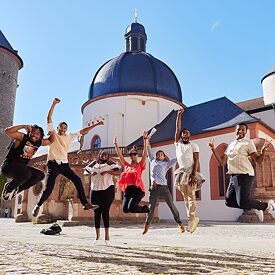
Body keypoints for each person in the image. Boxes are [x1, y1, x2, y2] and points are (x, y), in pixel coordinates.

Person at [32, 98, 103, 217]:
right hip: (53, 165)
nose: (63, 130)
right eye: (61, 128)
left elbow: (83, 131)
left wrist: (96, 125)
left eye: (65, 128)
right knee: (48, 189)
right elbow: (49, 119)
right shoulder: (52, 134)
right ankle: (38, 205)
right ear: (58, 128)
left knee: (78, 180)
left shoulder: (69, 136)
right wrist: (53, 104)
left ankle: (85, 204)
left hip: (64, 165)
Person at [208, 122, 275, 222]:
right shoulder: (231, 145)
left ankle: (268, 206)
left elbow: (258, 160)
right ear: (235, 130)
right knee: (229, 202)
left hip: (244, 174)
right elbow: (222, 162)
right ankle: (256, 206)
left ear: (246, 131)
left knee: (242, 202)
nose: (241, 131)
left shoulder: (248, 143)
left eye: (243, 130)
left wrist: (263, 150)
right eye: (239, 129)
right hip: (233, 175)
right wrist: (213, 149)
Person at [142, 134, 185, 235]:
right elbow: (148, 148)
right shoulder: (152, 161)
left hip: (164, 188)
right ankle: (147, 226)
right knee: (151, 208)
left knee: (171, 205)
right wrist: (146, 139)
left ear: (164, 157)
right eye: (158, 154)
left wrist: (182, 148)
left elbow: (177, 158)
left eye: (162, 155)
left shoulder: (166, 164)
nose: (160, 155)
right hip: (154, 189)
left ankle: (180, 224)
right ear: (156, 156)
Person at [1, 124, 54, 200]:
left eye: (37, 134)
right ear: (29, 132)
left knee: (40, 175)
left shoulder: (39, 142)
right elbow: (7, 131)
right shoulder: (22, 137)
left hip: (21, 170)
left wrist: (52, 132)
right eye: (32, 132)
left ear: (40, 136)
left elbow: (51, 140)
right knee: (27, 173)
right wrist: (23, 126)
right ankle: (9, 189)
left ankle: (17, 189)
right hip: (8, 167)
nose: (34, 135)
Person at [175, 108, 204, 233]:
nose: (185, 134)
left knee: (191, 195)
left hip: (190, 172)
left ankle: (192, 218)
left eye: (187, 133)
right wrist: (179, 116)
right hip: (181, 174)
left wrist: (193, 175)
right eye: (183, 133)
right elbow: (177, 129)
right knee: (185, 197)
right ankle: (191, 218)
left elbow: (196, 160)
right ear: (181, 135)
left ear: (190, 135)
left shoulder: (194, 145)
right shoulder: (177, 144)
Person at [84, 150, 121, 245]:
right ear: (99, 155)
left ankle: (107, 236)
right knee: (96, 212)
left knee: (105, 212)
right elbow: (85, 171)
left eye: (105, 154)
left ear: (108, 156)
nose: (103, 156)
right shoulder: (94, 163)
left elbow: (119, 171)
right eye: (102, 154)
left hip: (107, 189)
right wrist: (90, 174)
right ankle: (97, 236)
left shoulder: (111, 163)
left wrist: (108, 172)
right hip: (95, 190)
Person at [113, 132, 150, 214]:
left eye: (134, 154)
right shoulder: (126, 165)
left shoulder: (140, 165)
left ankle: (145, 208)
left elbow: (144, 153)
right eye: (130, 154)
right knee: (125, 210)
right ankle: (142, 208)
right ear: (129, 156)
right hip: (128, 190)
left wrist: (145, 140)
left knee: (131, 208)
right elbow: (120, 156)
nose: (132, 155)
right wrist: (115, 145)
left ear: (137, 155)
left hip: (137, 189)